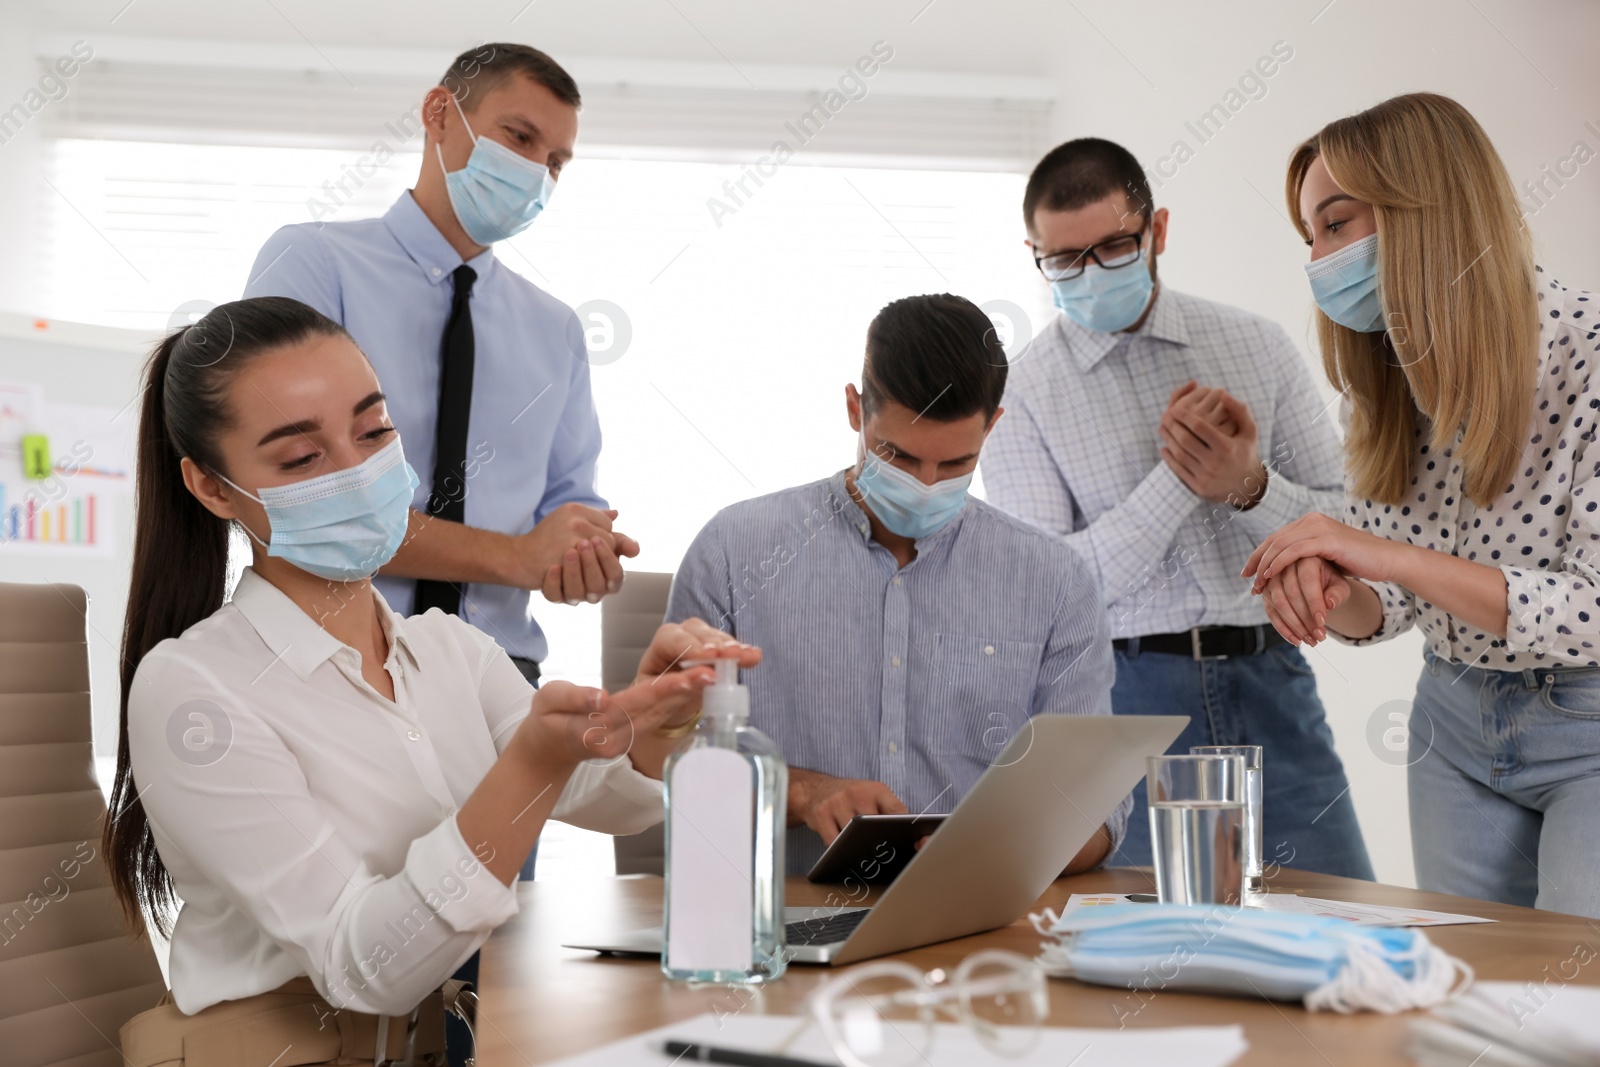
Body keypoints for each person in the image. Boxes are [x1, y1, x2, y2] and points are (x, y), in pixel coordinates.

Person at [105, 297, 754, 1066]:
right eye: (302, 458)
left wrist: (651, 724)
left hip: (444, 1041)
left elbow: (598, 795)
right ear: (214, 489)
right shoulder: (193, 689)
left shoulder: (448, 648)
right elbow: (362, 967)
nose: (358, 470)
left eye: (374, 430)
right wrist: (531, 766)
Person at [1244, 92, 1600, 918]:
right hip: (1452, 717)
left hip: (1587, 725)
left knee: (1576, 1007)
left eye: (1336, 224)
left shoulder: (1588, 358)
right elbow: (1395, 605)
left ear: (1427, 212)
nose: (1317, 259)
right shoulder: (1390, 384)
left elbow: (1592, 607)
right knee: (1464, 999)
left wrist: (1381, 554)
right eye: (1309, 236)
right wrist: (1337, 587)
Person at [980, 137, 1373, 879]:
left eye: (1114, 246)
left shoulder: (1256, 344)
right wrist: (1181, 480)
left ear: (1157, 231)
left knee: (1343, 927)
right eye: (1064, 260)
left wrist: (1247, 481)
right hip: (1127, 706)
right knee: (1143, 966)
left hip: (1273, 682)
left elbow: (1349, 525)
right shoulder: (1021, 394)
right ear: (1034, 252)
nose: (1089, 274)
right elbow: (1056, 593)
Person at [666, 293, 1125, 875]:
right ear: (855, 410)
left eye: (957, 464)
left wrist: (999, 848)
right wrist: (805, 794)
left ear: (994, 427)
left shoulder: (1055, 580)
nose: (927, 484)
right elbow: (670, 758)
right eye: (899, 457)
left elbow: (1099, 813)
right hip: (777, 917)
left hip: (974, 925)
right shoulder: (734, 552)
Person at [243, 42, 630, 690]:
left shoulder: (558, 328)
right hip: (334, 657)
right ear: (440, 114)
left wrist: (582, 552)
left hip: (500, 673)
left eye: (556, 161)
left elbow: (569, 501)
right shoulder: (314, 262)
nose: (537, 171)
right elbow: (303, 499)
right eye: (520, 136)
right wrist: (518, 558)